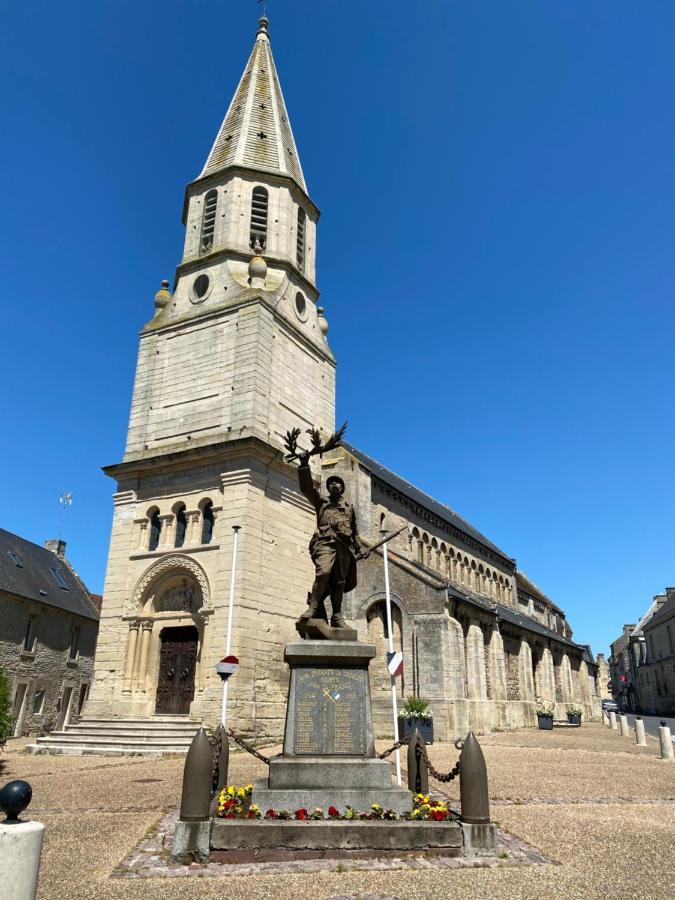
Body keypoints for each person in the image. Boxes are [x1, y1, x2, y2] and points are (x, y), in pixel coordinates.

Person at [296, 451, 367, 628]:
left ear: (342, 488)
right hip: (325, 544)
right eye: (331, 482)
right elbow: (306, 488)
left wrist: (359, 549)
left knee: (339, 582)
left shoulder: (349, 509)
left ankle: (337, 616)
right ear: (328, 488)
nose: (334, 484)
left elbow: (355, 533)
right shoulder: (321, 502)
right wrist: (304, 464)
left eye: (337, 482)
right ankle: (313, 608)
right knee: (323, 572)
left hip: (344, 548)